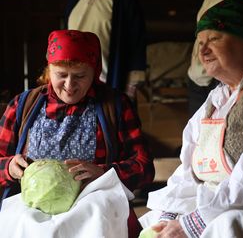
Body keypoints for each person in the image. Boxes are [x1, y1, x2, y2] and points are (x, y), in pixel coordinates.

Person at [139, 0, 243, 238]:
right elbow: (189, 168)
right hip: (215, 200)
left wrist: (194, 222)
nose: (203, 49)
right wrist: (171, 213)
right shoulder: (217, 97)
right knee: (150, 222)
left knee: (225, 226)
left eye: (214, 38)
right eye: (200, 41)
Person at [0, 29, 154, 238]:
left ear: (95, 71)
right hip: (34, 211)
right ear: (48, 70)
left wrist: (104, 172)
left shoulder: (115, 106)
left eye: (80, 76)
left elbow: (144, 167)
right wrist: (9, 167)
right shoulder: (23, 105)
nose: (69, 86)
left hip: (92, 208)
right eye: (61, 75)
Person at [65, 0, 147, 102]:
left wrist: (131, 85)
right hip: (75, 83)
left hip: (110, 81)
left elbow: (137, 40)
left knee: (112, 117)